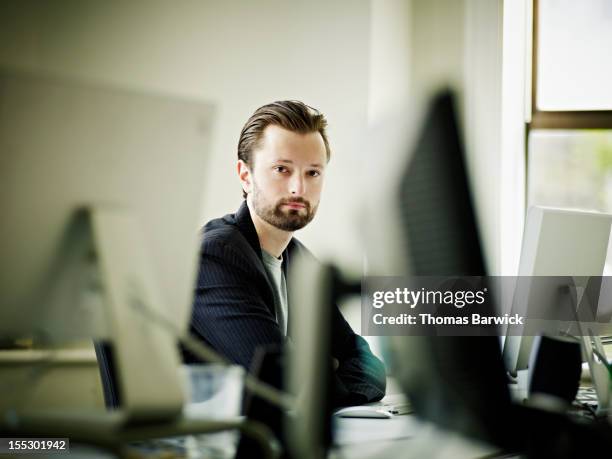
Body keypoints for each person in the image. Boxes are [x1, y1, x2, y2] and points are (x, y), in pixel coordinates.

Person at [184, 100, 386, 407]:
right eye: (282, 169)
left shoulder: (298, 260)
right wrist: (330, 381)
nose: (298, 188)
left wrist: (330, 383)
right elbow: (287, 383)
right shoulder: (214, 256)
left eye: (313, 173)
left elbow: (367, 362)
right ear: (244, 175)